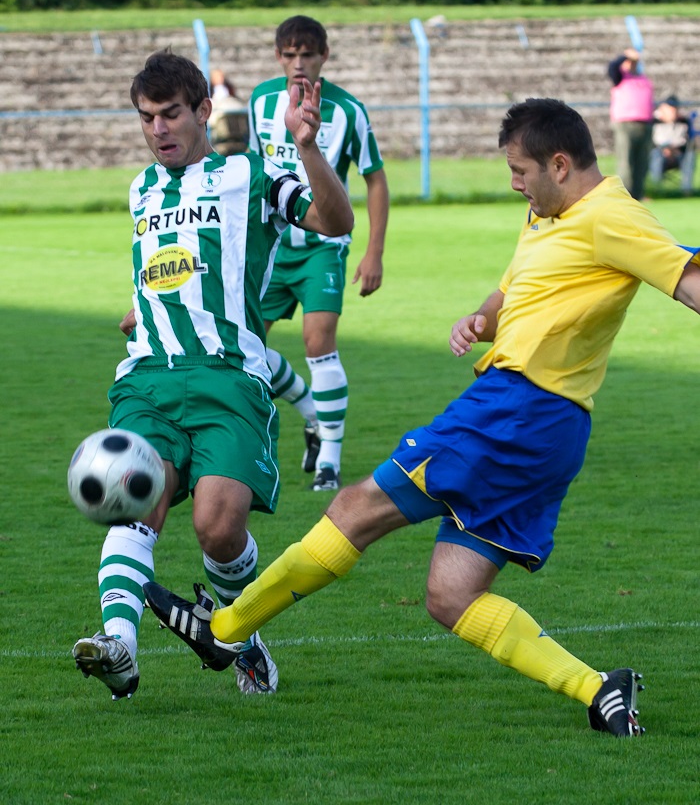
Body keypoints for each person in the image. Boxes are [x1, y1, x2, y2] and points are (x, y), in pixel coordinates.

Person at [146, 97, 700, 737]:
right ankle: (599, 689)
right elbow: (514, 288)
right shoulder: (550, 212)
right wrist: (483, 320)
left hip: (515, 411)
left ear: (559, 163)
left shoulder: (611, 216)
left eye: (520, 171)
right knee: (451, 596)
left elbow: (687, 282)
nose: (514, 184)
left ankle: (224, 630)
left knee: (355, 508)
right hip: (550, 429)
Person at [71, 49, 353, 701]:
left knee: (219, 529)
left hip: (229, 378)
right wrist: (140, 309)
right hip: (148, 378)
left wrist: (308, 149)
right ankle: (119, 645)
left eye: (170, 114)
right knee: (133, 503)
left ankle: (241, 637)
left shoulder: (253, 173)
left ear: (203, 110)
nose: (158, 129)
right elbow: (169, 266)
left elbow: (335, 221)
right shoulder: (142, 189)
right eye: (147, 117)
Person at [248, 15, 390, 492]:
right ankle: (310, 410)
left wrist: (374, 252)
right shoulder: (260, 101)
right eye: (289, 55)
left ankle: (329, 460)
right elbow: (252, 171)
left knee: (317, 342)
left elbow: (375, 179)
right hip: (270, 247)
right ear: (277, 57)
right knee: (244, 346)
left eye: (307, 54)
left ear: (324, 56)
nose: (298, 64)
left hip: (323, 246)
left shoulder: (348, 111)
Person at [607, 47, 654, 200]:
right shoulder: (620, 76)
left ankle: (638, 194)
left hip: (644, 123)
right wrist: (625, 56)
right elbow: (612, 67)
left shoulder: (643, 78)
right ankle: (625, 195)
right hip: (625, 124)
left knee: (642, 163)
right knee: (626, 162)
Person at [649, 94, 696, 196]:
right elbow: (649, 143)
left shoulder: (684, 121)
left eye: (675, 108)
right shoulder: (653, 121)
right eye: (670, 108)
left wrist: (677, 150)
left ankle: (686, 191)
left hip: (678, 154)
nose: (673, 111)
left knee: (690, 155)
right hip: (660, 154)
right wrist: (664, 149)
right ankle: (656, 191)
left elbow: (688, 142)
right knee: (655, 155)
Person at [207, 68, 249, 156]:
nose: (220, 78)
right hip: (218, 109)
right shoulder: (209, 89)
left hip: (229, 108)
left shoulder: (229, 87)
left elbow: (234, 97)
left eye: (221, 76)